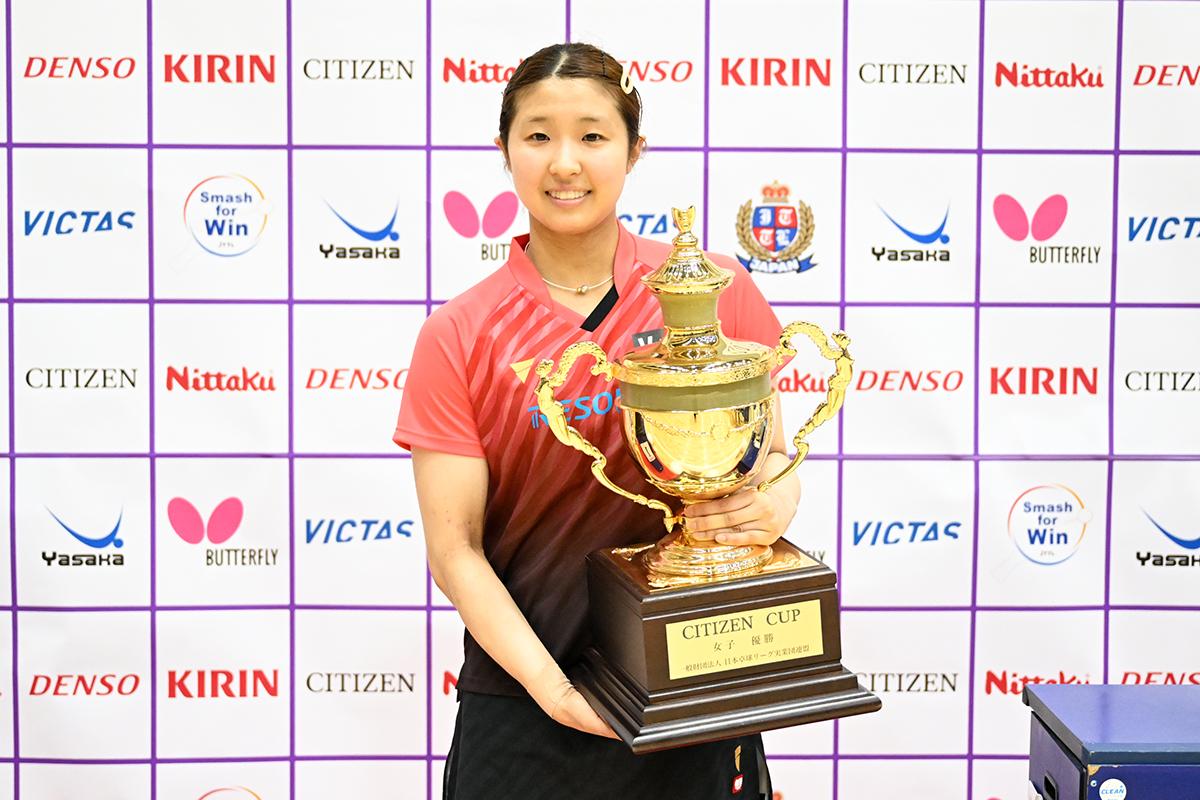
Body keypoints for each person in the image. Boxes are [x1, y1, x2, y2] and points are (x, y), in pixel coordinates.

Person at [393, 42, 802, 800]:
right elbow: (455, 550)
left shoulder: (710, 291)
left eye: (592, 134)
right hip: (523, 707)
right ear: (504, 151)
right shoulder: (458, 332)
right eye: (538, 135)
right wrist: (556, 693)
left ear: (633, 150)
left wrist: (763, 508)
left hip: (696, 691)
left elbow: (773, 455)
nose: (565, 162)